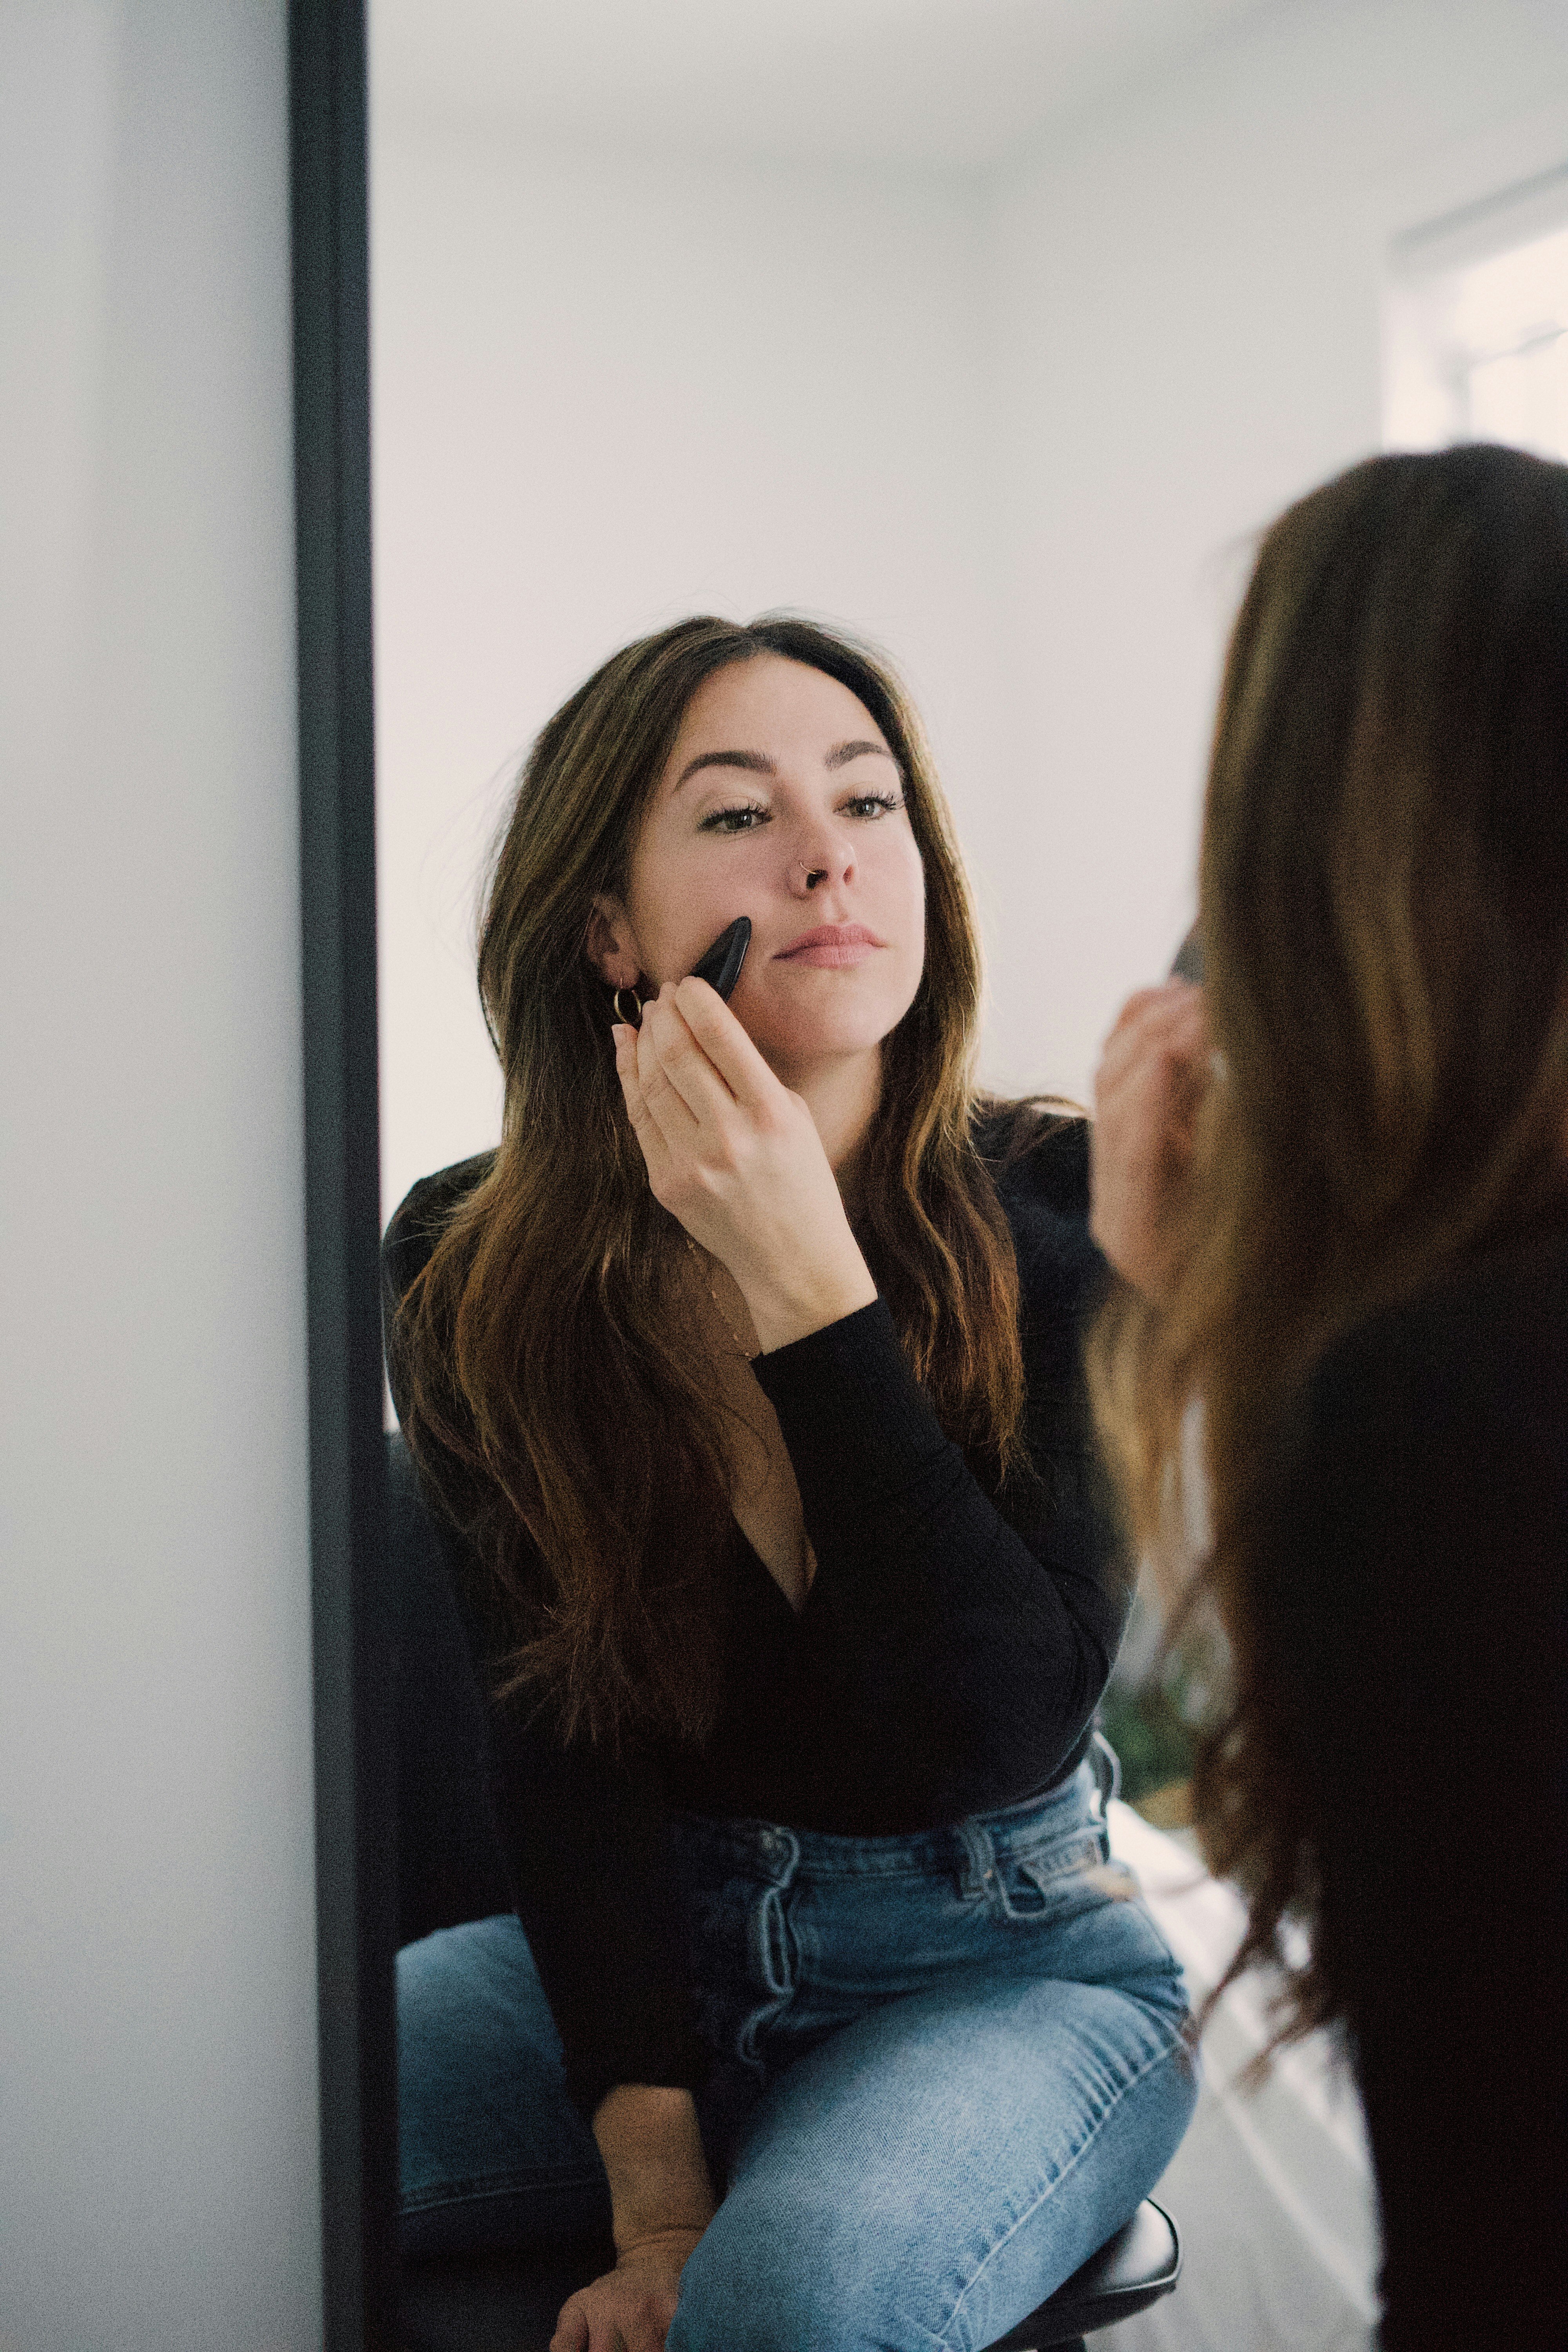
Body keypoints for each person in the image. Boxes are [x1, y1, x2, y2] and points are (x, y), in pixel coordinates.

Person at [383, 615, 1197, 2352]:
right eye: (740, 815)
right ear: (608, 929)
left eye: (870, 801)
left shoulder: (1065, 1205)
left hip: (1000, 1969)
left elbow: (994, 1721)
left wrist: (803, 1289)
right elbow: (561, 1744)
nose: (830, 853)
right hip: (631, 1966)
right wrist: (655, 2193)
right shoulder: (471, 1258)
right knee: (180, 2125)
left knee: (791, 2306)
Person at [1086, 444, 1568, 2351]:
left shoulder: (1430, 1416)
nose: (821, 856)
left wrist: (1213, 1341)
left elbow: (1492, 2227)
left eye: (865, 797)